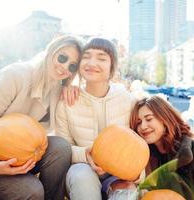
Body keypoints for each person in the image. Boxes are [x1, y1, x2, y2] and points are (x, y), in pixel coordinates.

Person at [0, 35, 83, 200]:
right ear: (51, 51)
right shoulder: (14, 76)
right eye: (62, 58)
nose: (64, 67)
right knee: (33, 191)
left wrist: (72, 87)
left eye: (72, 66)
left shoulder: (57, 88)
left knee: (61, 147)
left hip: (16, 155)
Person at [55, 37, 137, 200]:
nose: (92, 63)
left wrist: (134, 175)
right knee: (81, 176)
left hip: (119, 174)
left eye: (101, 58)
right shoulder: (67, 101)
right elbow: (62, 147)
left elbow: (139, 146)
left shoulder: (129, 101)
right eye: (86, 57)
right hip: (83, 170)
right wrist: (85, 155)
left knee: (126, 191)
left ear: (112, 67)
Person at [103, 96, 194, 200]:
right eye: (138, 123)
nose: (143, 126)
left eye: (149, 119)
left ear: (165, 118)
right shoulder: (139, 156)